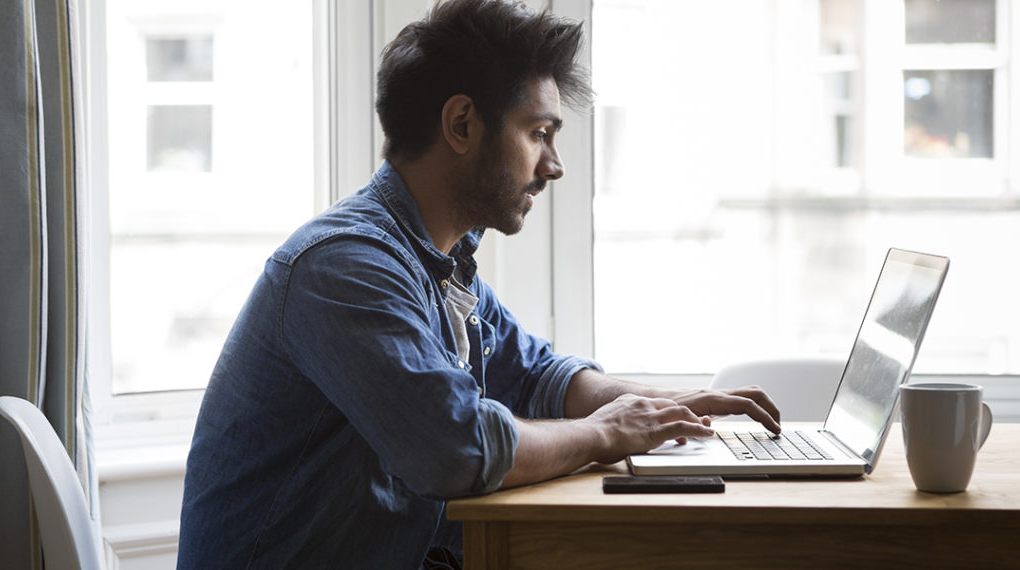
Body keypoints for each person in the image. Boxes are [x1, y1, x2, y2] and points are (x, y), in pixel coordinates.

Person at [176, 1, 781, 568]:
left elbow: (537, 375)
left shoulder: (439, 260)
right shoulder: (344, 269)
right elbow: (457, 450)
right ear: (462, 123)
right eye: (539, 132)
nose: (555, 164)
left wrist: (667, 407)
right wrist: (608, 432)